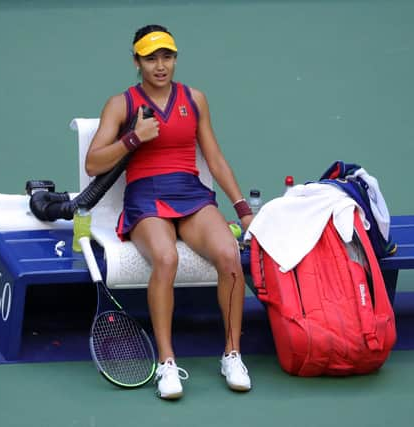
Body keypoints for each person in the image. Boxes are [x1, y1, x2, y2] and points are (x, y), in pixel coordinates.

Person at [85, 24, 254, 400]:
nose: (160, 66)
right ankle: (166, 362)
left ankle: (232, 354)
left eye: (167, 57)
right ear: (136, 61)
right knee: (165, 259)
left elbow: (214, 157)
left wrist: (242, 208)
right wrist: (132, 138)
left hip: (191, 196)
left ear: (175, 58)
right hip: (146, 199)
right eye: (151, 59)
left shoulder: (194, 99)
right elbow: (93, 164)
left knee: (229, 256)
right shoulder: (121, 104)